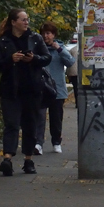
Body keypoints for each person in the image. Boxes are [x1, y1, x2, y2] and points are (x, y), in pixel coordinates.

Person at [0, 9, 51, 176]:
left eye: (27, 20)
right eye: (23, 20)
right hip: (11, 89)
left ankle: (28, 159)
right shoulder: (3, 41)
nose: (26, 23)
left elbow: (47, 58)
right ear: (13, 22)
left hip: (31, 89)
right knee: (11, 124)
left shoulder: (35, 39)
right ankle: (7, 158)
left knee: (29, 125)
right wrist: (11, 60)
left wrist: (34, 59)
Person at [36, 23, 75, 155]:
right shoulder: (38, 48)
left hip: (57, 89)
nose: (46, 36)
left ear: (54, 35)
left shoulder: (60, 48)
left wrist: (59, 49)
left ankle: (56, 142)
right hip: (41, 89)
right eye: (44, 33)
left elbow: (70, 62)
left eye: (48, 33)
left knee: (56, 118)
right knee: (39, 117)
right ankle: (38, 143)